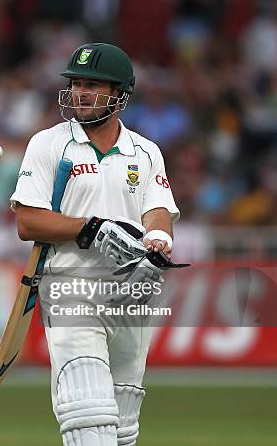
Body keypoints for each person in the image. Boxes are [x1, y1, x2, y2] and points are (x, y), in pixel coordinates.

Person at [11, 43, 180, 446]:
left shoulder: (145, 151)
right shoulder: (49, 144)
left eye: (92, 85)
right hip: (71, 285)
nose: (80, 93)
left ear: (119, 94)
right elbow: (26, 220)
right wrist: (90, 228)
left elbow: (158, 210)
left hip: (133, 290)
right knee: (89, 413)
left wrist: (158, 238)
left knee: (122, 424)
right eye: (77, 84)